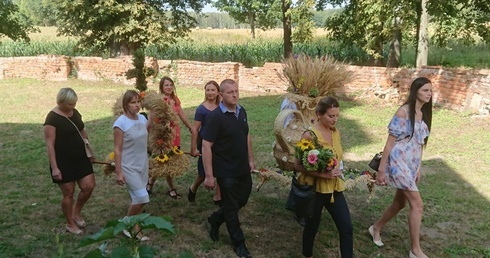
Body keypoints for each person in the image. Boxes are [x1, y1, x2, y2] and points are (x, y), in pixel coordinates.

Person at [369, 77, 432, 258]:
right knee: (417, 205)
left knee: (400, 203)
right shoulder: (403, 112)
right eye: (425, 90)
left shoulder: (423, 114)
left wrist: (418, 168)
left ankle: (376, 228)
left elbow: (420, 145)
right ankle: (415, 250)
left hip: (411, 163)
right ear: (416, 91)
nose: (429, 94)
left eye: (430, 91)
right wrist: (381, 170)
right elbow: (389, 144)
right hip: (398, 162)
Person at [294, 96, 353, 258]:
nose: (335, 119)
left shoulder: (336, 133)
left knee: (346, 228)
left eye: (337, 116)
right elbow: (297, 165)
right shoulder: (309, 135)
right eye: (331, 116)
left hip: (334, 188)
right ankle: (307, 255)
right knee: (312, 226)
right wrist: (322, 174)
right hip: (316, 190)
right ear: (319, 114)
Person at [202, 79, 255, 258]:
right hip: (225, 169)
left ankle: (216, 219)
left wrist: (250, 159)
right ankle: (239, 244)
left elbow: (246, 136)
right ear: (221, 95)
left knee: (242, 199)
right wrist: (209, 175)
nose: (234, 95)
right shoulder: (215, 117)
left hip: (242, 167)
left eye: (236, 91)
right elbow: (206, 145)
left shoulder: (242, 112)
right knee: (231, 207)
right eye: (230, 92)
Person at [44, 87, 96, 235]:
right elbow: (50, 144)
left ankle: (76, 211)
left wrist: (89, 151)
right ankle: (70, 223)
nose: (72, 107)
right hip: (63, 161)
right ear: (60, 102)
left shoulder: (75, 113)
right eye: (69, 104)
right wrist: (55, 168)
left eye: (74, 103)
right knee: (69, 192)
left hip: (80, 157)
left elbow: (82, 132)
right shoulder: (52, 119)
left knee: (89, 186)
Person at [113, 90, 151, 241]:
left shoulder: (142, 118)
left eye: (138, 102)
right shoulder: (120, 123)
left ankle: (134, 226)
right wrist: (119, 171)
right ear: (125, 104)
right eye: (133, 102)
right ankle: (127, 223)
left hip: (142, 163)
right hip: (128, 166)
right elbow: (117, 149)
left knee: (139, 198)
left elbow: (144, 133)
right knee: (143, 196)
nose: (137, 105)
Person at [146, 76, 192, 199]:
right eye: (166, 85)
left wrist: (190, 127)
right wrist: (147, 134)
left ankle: (150, 183)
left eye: (171, 85)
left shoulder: (175, 99)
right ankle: (171, 189)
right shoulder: (158, 101)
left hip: (174, 135)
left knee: (164, 162)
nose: (169, 87)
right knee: (164, 162)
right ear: (161, 87)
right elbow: (151, 119)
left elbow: (181, 114)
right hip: (163, 137)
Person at [188, 80, 222, 205]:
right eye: (208, 90)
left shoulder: (222, 107)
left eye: (213, 90)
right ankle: (193, 187)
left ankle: (218, 197)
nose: (210, 92)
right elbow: (195, 129)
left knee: (221, 170)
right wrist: (193, 148)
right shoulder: (201, 109)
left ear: (218, 92)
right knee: (204, 173)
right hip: (205, 143)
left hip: (219, 143)